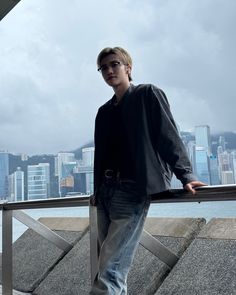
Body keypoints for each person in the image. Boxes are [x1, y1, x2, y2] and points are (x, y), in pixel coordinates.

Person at [90, 46, 205, 295]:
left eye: (115, 64)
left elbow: (168, 136)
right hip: (106, 193)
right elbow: (102, 156)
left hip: (132, 190)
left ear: (128, 68)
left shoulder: (147, 94)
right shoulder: (104, 112)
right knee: (111, 268)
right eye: (104, 67)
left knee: (109, 269)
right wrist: (97, 190)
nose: (109, 70)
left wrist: (186, 175)